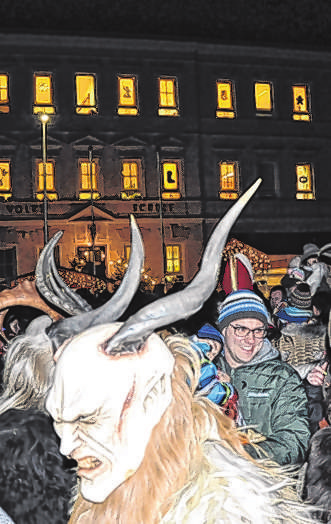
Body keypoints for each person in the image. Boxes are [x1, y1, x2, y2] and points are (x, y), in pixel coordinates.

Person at [214, 289, 311, 465]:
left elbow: (295, 441)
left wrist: (239, 456)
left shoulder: (282, 378)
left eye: (258, 330)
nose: (250, 339)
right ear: (224, 329)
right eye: (241, 329)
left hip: (265, 485)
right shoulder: (205, 371)